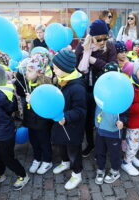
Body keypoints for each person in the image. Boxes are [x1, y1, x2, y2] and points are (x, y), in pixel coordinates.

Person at [75, 19, 116, 157]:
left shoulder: (110, 46)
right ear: (91, 37)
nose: (102, 41)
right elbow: (76, 68)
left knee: (100, 118)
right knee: (87, 119)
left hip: (103, 88)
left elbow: (113, 67)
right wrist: (86, 57)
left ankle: (100, 147)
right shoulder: (82, 47)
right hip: (85, 88)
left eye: (105, 38)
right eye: (99, 39)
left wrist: (94, 61)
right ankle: (90, 144)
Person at [51, 50, 87, 190]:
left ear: (65, 69)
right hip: (60, 124)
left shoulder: (77, 87)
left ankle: (77, 173)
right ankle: (65, 162)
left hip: (72, 128)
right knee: (61, 145)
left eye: (56, 67)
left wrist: (67, 117)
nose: (53, 69)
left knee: (74, 151)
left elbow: (81, 111)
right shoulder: (61, 80)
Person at [94, 62, 128, 185]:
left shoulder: (121, 94)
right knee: (100, 151)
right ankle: (101, 169)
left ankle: (115, 170)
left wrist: (122, 122)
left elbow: (125, 113)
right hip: (100, 129)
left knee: (114, 153)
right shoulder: (99, 91)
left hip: (114, 131)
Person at [22, 54, 54, 175]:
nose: (27, 73)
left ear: (39, 73)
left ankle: (47, 160)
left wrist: (33, 100)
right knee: (34, 140)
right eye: (27, 70)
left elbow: (46, 105)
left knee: (43, 140)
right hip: (31, 120)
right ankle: (37, 158)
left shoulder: (45, 86)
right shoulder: (30, 82)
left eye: (30, 71)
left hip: (41, 121)